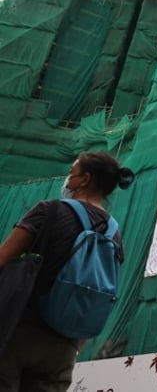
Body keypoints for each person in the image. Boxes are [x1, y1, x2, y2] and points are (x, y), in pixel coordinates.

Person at [0, 152, 134, 392]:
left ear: (85, 179)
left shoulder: (49, 211)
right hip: (63, 349)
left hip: (15, 330)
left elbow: (3, 258)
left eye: (71, 174)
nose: (67, 180)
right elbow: (98, 292)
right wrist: (74, 344)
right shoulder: (113, 234)